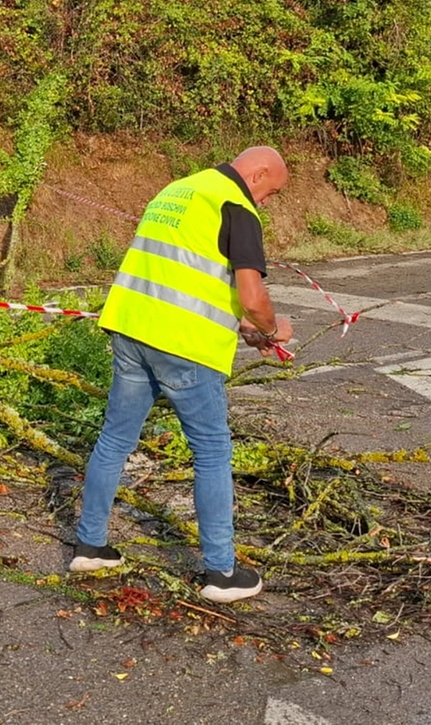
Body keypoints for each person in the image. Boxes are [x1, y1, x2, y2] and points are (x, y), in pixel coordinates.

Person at [70, 146, 293, 603]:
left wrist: (246, 328)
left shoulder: (179, 190)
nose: (265, 204)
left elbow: (190, 275)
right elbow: (251, 298)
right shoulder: (235, 205)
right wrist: (271, 329)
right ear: (259, 174)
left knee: (115, 438)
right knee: (212, 451)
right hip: (184, 346)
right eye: (269, 193)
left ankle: (90, 545)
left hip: (132, 330)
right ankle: (220, 572)